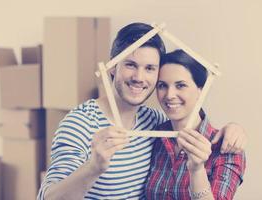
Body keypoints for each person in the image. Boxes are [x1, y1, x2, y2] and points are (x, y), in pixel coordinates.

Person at [38, 23, 246, 200]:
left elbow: (191, 120)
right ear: (112, 68)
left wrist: (234, 128)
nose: (139, 77)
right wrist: (94, 167)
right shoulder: (80, 123)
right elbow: (48, 197)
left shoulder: (154, 123)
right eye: (130, 64)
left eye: (149, 68)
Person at [145, 49, 246, 200]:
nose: (169, 95)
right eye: (162, 85)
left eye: (180, 85)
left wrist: (197, 170)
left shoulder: (226, 148)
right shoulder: (153, 134)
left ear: (201, 90)